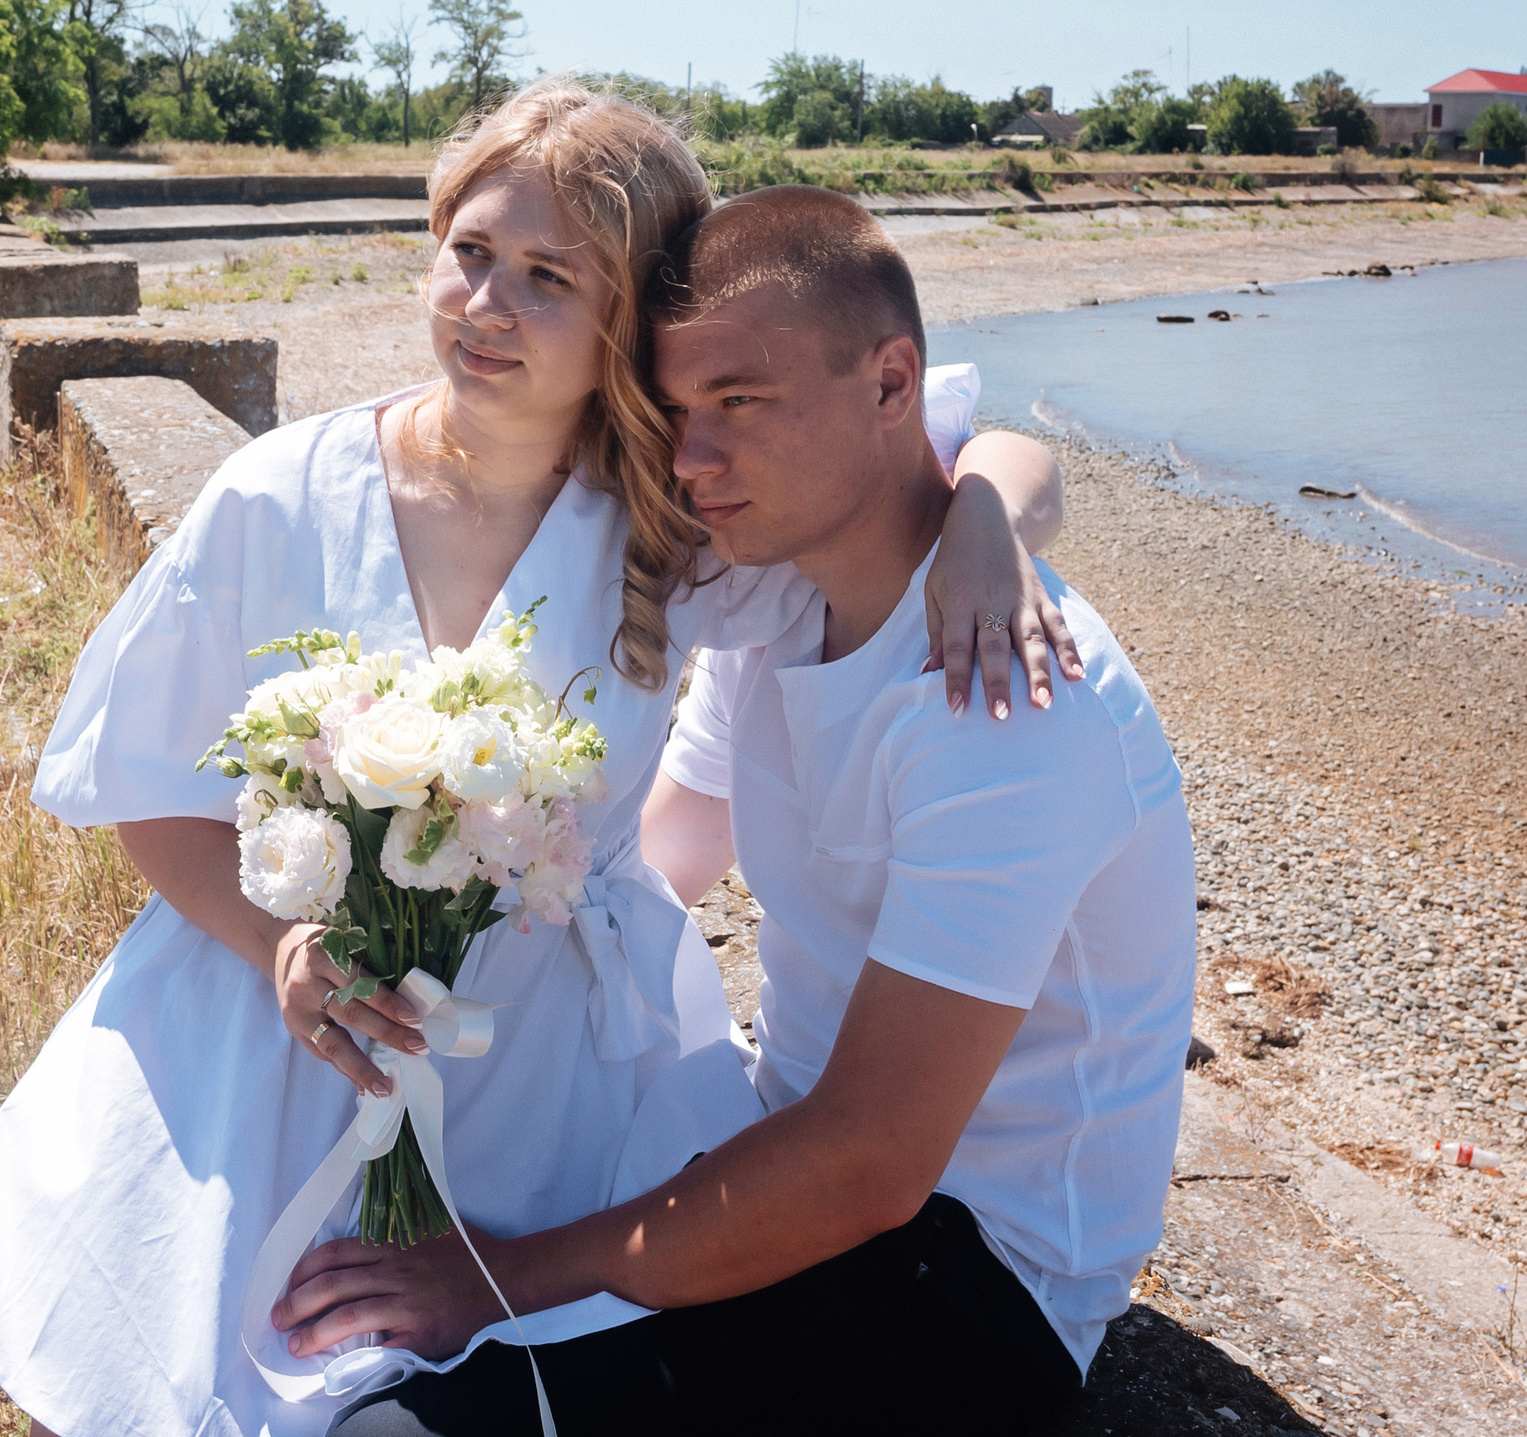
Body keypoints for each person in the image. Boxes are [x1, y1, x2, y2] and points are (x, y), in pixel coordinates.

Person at [0, 84, 1082, 1437]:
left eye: (549, 279)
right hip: (287, 1024)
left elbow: (964, 448)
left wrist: (986, 522)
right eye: (471, 252)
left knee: (524, 1371)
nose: (486, 304)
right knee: (247, 1363)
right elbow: (146, 791)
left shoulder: (673, 527)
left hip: (562, 1071)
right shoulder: (278, 496)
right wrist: (284, 946)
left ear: (629, 329)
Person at [283, 185, 1196, 1437]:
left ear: (892, 385)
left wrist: (496, 1272)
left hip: (970, 1266)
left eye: (741, 404)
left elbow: (872, 1161)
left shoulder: (1004, 695)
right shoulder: (775, 614)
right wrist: (412, 958)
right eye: (673, 411)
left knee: (405, 1423)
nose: (690, 460)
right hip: (781, 1148)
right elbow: (663, 854)